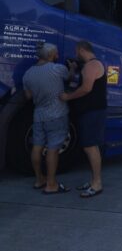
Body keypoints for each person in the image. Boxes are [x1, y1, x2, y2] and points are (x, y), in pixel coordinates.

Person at [23, 43, 75, 194]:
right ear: (51, 55)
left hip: (38, 116)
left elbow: (28, 96)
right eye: (56, 54)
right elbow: (70, 79)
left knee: (37, 147)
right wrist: (73, 68)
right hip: (57, 115)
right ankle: (51, 185)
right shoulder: (58, 69)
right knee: (52, 150)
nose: (58, 56)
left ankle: (39, 179)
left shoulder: (28, 73)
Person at [60, 41, 107, 198]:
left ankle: (97, 184)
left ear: (81, 49)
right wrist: (73, 70)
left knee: (90, 146)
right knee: (89, 145)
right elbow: (81, 82)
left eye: (76, 51)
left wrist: (68, 96)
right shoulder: (88, 66)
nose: (75, 54)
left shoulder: (91, 65)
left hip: (92, 112)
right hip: (91, 111)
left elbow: (86, 88)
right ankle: (93, 180)